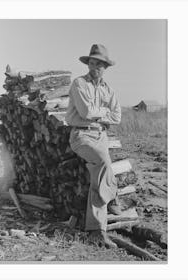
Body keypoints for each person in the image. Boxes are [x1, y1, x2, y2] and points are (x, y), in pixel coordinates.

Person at [65, 44, 122, 248]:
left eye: (99, 64)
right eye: (92, 62)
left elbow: (117, 116)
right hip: (82, 135)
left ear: (105, 67)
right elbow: (86, 112)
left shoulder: (109, 89)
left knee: (99, 175)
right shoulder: (79, 83)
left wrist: (101, 112)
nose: (95, 66)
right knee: (105, 164)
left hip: (101, 135)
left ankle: (95, 231)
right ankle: (110, 200)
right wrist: (103, 112)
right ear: (88, 64)